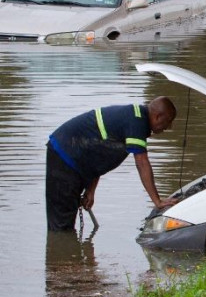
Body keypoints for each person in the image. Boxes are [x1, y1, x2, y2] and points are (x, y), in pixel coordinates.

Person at [45, 96, 179, 231]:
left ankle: (65, 250)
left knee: (66, 220)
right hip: (64, 157)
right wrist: (158, 201)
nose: (169, 127)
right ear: (158, 116)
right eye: (168, 121)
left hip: (74, 161)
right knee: (61, 226)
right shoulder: (137, 122)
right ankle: (59, 249)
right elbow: (142, 163)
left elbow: (98, 153)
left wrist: (91, 190)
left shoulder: (136, 118)